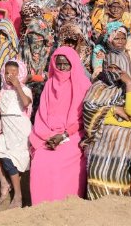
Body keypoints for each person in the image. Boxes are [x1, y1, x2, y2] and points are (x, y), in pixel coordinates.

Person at [29, 48, 92, 205]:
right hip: (48, 134)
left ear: (73, 64)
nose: (62, 68)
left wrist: (63, 135)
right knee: (40, 161)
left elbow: (83, 119)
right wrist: (47, 136)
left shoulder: (83, 84)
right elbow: (42, 114)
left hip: (73, 134)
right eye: (59, 64)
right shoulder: (49, 84)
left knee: (61, 161)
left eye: (66, 64)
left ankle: (67, 204)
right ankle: (41, 205)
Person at [83, 60, 131, 199]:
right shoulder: (98, 86)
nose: (113, 71)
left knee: (119, 171)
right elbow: (89, 109)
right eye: (109, 68)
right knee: (96, 170)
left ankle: (120, 204)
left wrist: (129, 84)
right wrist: (113, 109)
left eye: (117, 68)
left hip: (127, 138)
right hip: (103, 136)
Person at [0, 60, 32, 208]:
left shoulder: (25, 89)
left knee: (9, 159)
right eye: (7, 73)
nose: (10, 76)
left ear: (19, 74)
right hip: (7, 130)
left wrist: (18, 86)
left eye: (14, 73)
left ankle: (18, 196)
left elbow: (26, 103)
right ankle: (4, 181)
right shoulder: (2, 91)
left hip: (19, 131)